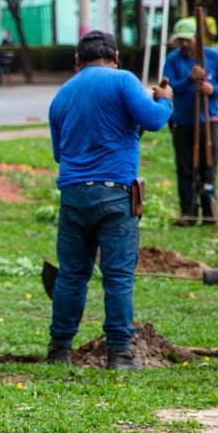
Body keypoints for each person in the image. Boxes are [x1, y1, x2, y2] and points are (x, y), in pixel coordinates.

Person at [46, 31, 172, 370]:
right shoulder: (123, 80)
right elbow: (156, 120)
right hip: (115, 194)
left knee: (72, 275)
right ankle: (119, 354)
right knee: (117, 277)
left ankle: (59, 351)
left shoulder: (61, 96)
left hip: (73, 195)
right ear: (115, 57)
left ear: (77, 61)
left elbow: (61, 153)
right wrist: (166, 99)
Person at [163, 17, 218, 225]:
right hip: (182, 123)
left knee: (208, 167)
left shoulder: (212, 57)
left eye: (187, 39)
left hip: (208, 122)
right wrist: (189, 80)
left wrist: (213, 90)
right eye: (180, 41)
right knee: (185, 168)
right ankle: (188, 213)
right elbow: (168, 86)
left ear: (197, 38)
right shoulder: (173, 60)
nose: (184, 44)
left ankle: (209, 211)